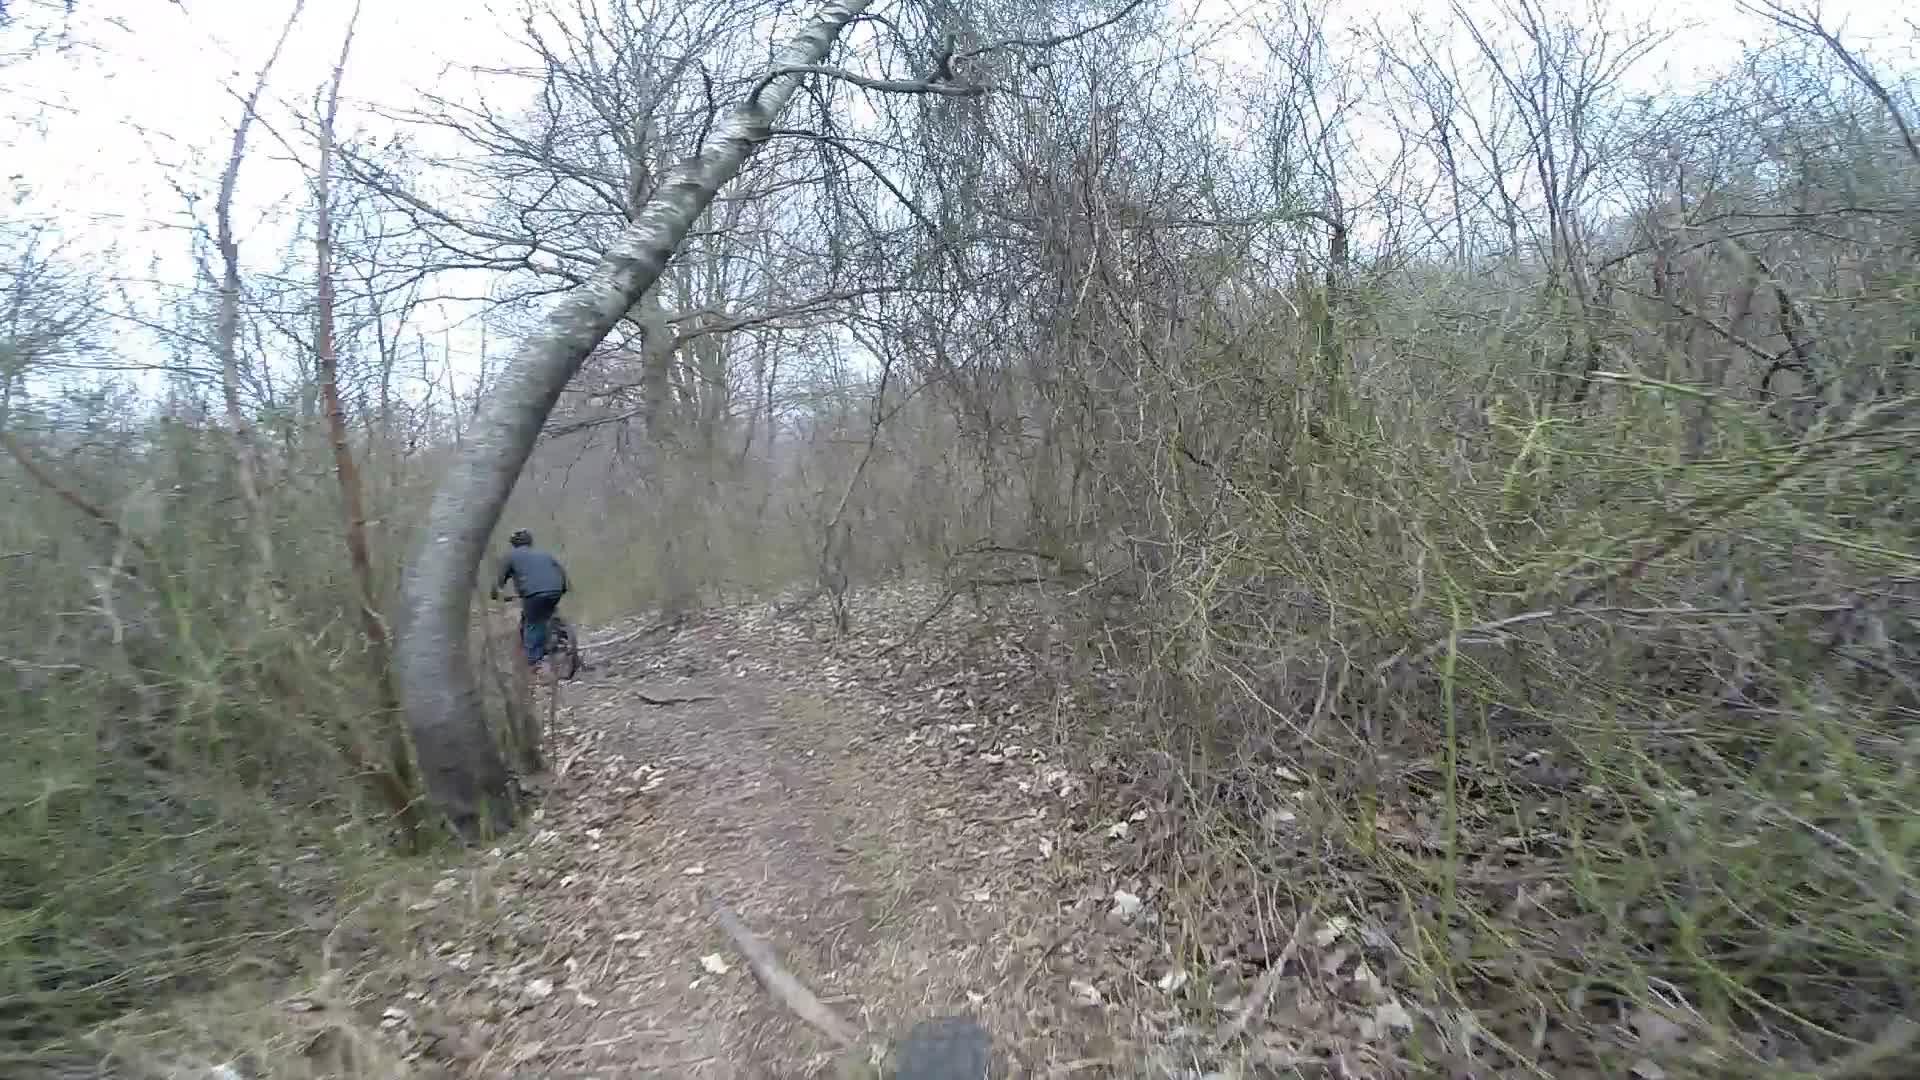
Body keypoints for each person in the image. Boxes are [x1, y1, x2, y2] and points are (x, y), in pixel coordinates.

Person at [489, 528, 570, 668]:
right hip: (555, 589)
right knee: (548, 613)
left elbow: (498, 582)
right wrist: (562, 589)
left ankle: (534, 663)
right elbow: (561, 572)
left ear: (513, 544)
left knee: (532, 624)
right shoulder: (544, 554)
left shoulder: (510, 556)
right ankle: (563, 638)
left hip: (533, 594)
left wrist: (495, 594)